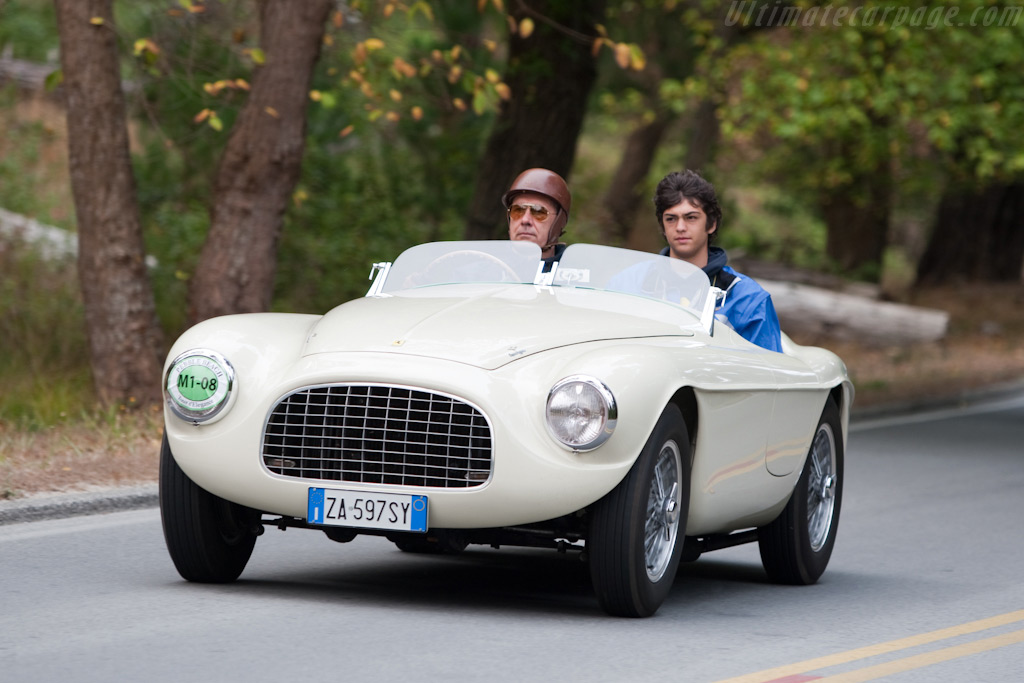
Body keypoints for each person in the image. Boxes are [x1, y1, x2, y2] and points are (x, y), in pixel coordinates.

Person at [653, 170, 782, 352]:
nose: (680, 227)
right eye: (671, 219)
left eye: (691, 218)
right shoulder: (631, 283)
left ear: (711, 224)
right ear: (663, 227)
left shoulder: (748, 298)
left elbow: (769, 373)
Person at [502, 168, 572, 270]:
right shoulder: (485, 270)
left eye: (539, 212)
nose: (525, 220)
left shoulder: (577, 275)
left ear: (559, 222)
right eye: (517, 210)